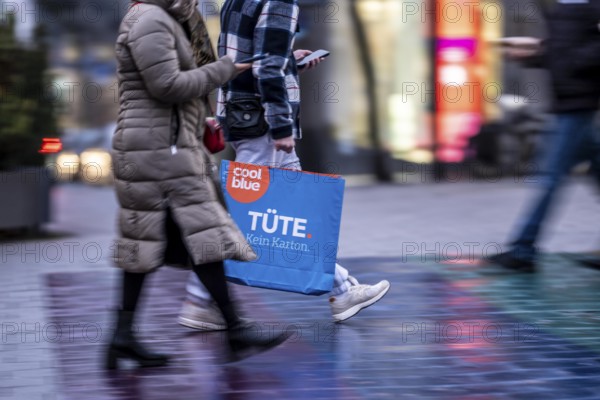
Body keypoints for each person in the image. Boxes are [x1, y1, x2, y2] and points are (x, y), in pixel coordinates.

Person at [178, 0, 390, 331]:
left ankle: (344, 290)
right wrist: (280, 126)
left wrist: (291, 62)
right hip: (263, 125)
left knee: (291, 216)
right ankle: (198, 300)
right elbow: (266, 65)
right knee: (240, 216)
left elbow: (245, 59)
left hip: (243, 115)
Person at [107, 0, 290, 369]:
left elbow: (171, 92)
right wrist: (224, 70)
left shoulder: (162, 18)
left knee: (158, 244)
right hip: (158, 152)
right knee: (201, 235)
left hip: (162, 147)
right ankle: (236, 331)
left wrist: (198, 119)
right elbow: (167, 85)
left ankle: (122, 338)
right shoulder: (149, 20)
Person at [486, 0, 600, 272]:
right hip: (568, 102)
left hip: (577, 104)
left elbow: (580, 51)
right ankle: (523, 250)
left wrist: (572, 60)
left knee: (549, 178)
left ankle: (523, 250)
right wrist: (534, 54)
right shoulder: (561, 5)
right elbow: (563, 48)